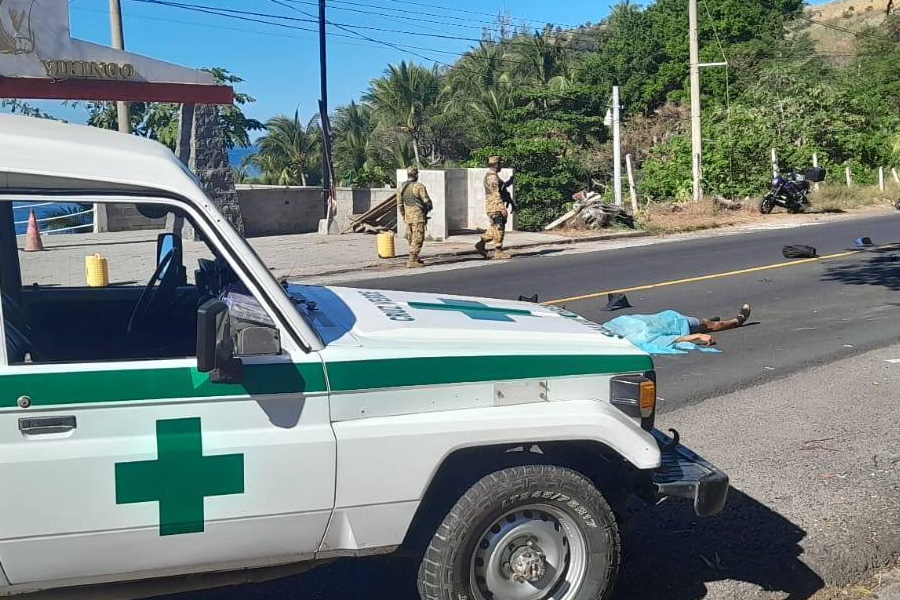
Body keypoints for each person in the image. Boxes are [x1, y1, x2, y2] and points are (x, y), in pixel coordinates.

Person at [603, 304, 751, 355]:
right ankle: (736, 321)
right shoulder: (632, 340)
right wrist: (697, 337)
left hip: (665, 319)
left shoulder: (605, 328)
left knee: (701, 323)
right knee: (708, 325)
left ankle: (707, 323)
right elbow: (667, 340)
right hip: (675, 327)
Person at [475, 156, 512, 260]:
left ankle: (481, 243)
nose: (501, 166)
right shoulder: (492, 177)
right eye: (500, 164)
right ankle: (498, 251)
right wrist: (501, 207)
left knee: (495, 226)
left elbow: (501, 188)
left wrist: (509, 182)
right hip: (494, 205)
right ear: (496, 165)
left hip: (493, 205)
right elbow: (495, 193)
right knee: (499, 226)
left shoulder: (493, 176)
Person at [398, 165, 433, 268]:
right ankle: (412, 260)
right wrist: (429, 207)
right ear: (416, 175)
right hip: (418, 216)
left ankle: (415, 257)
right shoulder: (419, 186)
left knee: (411, 237)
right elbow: (426, 201)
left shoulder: (401, 187)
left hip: (408, 216)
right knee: (418, 237)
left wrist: (404, 215)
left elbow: (400, 204)